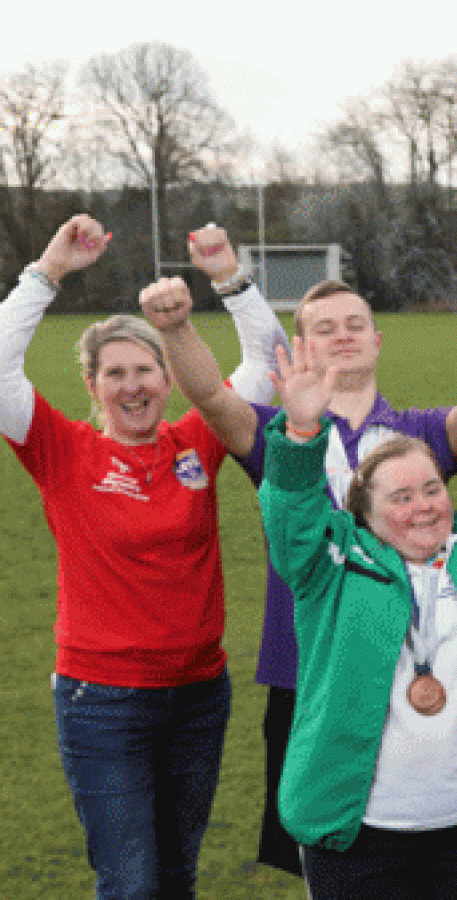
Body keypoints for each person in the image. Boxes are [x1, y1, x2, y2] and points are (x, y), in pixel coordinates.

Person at [141, 269, 457, 877]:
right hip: (305, 673)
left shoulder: (414, 433)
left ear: (377, 340)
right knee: (324, 856)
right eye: (324, 328)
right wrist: (174, 328)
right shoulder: (280, 434)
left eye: (355, 325)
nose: (342, 337)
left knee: (436, 847)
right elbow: (211, 398)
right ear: (300, 347)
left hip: (423, 667)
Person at [0, 214, 287, 899]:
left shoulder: (198, 438)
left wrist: (226, 274)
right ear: (93, 385)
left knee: (176, 877)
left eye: (146, 370)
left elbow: (270, 362)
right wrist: (50, 269)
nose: (133, 386)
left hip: (198, 695)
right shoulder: (60, 448)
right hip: (102, 702)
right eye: (115, 373)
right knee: (131, 884)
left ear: (168, 377)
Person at [258, 331, 457, 898]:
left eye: (432, 489)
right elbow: (292, 519)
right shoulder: (330, 563)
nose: (423, 508)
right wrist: (300, 434)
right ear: (362, 513)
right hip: (360, 838)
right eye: (401, 497)